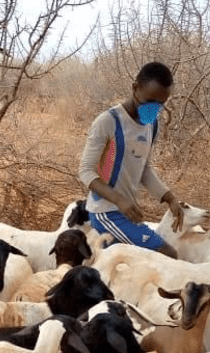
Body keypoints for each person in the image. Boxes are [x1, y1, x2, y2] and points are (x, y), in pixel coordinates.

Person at [78, 61, 184, 258]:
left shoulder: (151, 126)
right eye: (150, 101)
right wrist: (120, 200)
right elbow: (85, 171)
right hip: (106, 212)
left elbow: (144, 169)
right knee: (168, 254)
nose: (154, 108)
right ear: (135, 88)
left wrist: (170, 198)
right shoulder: (108, 122)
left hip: (126, 214)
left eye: (161, 104)